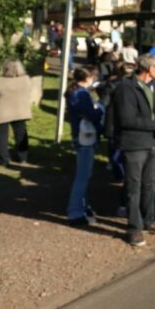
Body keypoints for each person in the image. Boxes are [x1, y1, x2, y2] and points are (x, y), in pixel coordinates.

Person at [112, 54, 155, 246]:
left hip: (152, 142)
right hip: (134, 144)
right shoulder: (126, 88)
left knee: (150, 184)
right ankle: (134, 228)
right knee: (133, 186)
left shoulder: (154, 86)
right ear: (149, 69)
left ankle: (149, 220)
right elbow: (127, 120)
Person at [66, 68, 105, 226]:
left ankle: (82, 207)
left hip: (80, 135)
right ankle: (75, 212)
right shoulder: (81, 93)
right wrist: (99, 108)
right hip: (85, 137)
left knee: (83, 174)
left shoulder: (74, 91)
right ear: (89, 77)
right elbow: (92, 114)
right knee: (83, 175)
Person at [0, 60, 33, 166]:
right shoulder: (26, 79)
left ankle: (4, 160)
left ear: (5, 68)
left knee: (2, 137)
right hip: (20, 110)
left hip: (1, 111)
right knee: (21, 134)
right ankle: (23, 157)